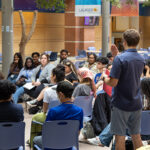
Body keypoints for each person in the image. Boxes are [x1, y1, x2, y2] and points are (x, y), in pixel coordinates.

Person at [102, 29, 145, 150]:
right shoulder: (141, 59)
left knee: (119, 137)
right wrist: (117, 56)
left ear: (124, 42)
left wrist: (105, 78)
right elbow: (130, 73)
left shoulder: (120, 59)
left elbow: (113, 83)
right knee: (136, 136)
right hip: (136, 102)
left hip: (121, 103)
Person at [33, 81, 83, 150]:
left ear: (60, 94)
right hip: (69, 145)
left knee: (35, 139)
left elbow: (47, 132)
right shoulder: (80, 111)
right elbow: (78, 132)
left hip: (52, 145)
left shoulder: (53, 111)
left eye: (57, 94)